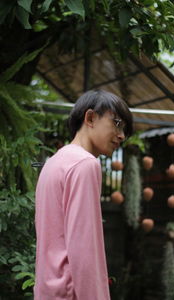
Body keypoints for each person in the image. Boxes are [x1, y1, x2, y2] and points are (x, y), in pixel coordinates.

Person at [34, 89, 133, 300]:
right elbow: (84, 250)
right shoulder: (85, 164)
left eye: (124, 129)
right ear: (90, 117)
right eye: (117, 123)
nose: (122, 135)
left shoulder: (53, 163)